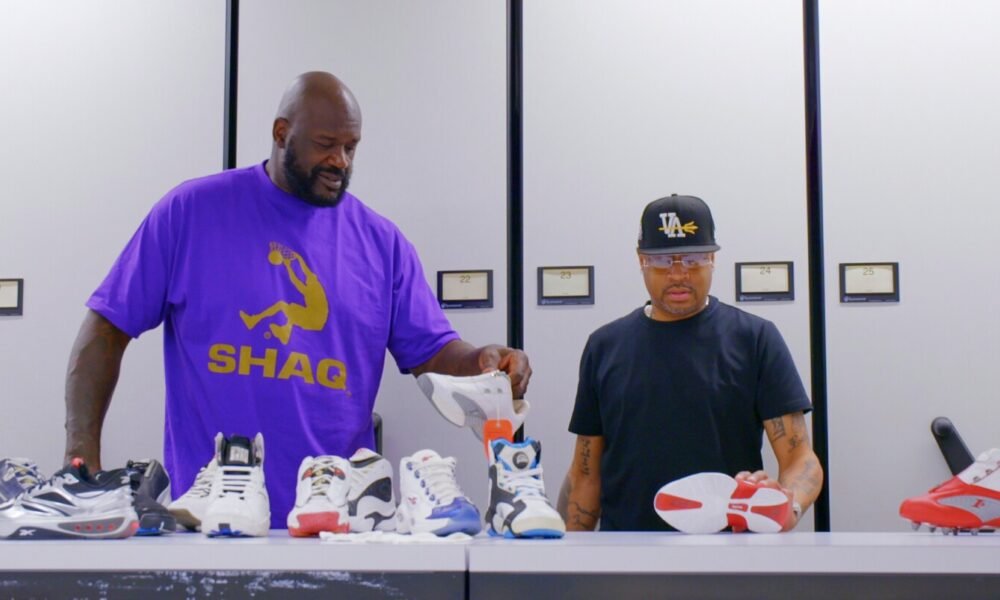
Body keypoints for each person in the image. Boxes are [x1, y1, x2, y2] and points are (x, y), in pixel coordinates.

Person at [63, 71, 531, 528]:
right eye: (326, 144)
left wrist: (481, 363)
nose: (340, 161)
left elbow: (433, 352)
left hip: (334, 521)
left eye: (351, 147)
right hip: (211, 519)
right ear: (281, 133)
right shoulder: (189, 213)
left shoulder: (382, 244)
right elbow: (106, 328)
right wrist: (81, 458)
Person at [558, 194, 822, 531]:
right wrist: (570, 550)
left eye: (693, 259)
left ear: (712, 259)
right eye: (662, 260)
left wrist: (788, 507)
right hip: (627, 549)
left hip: (728, 548)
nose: (678, 273)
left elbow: (800, 458)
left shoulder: (755, 339)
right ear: (641, 260)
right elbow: (585, 474)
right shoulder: (604, 346)